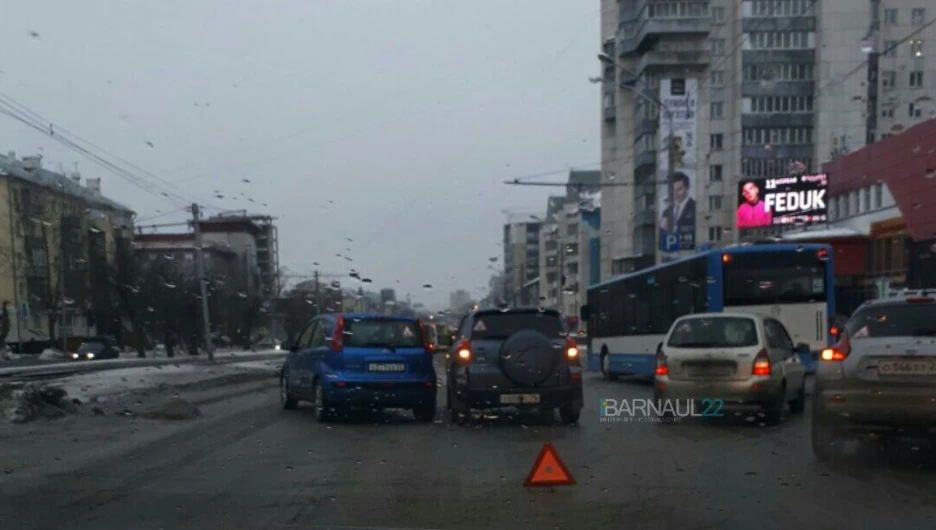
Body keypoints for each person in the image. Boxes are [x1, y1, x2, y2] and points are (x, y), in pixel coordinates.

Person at [659, 172, 696, 242]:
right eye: (673, 190)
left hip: (688, 247)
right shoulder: (666, 212)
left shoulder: (695, 208)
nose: (675, 194)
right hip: (669, 249)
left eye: (679, 189)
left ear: (687, 188)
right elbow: (660, 235)